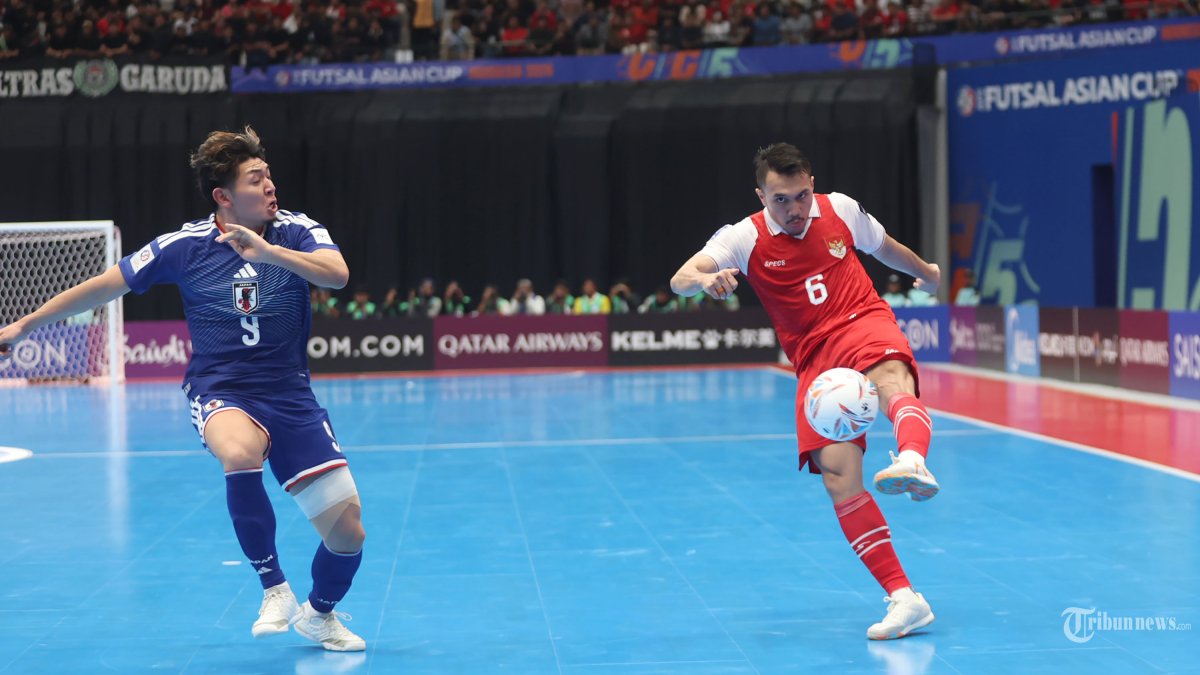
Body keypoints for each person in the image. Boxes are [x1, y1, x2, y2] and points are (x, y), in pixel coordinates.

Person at [0, 127, 367, 652]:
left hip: (291, 392)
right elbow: (105, 284)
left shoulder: (295, 230)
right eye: (256, 179)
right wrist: (25, 324)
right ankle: (274, 588)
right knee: (240, 451)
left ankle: (319, 615)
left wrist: (266, 252)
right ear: (223, 196)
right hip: (222, 387)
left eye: (268, 175)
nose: (270, 186)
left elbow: (336, 275)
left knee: (348, 533)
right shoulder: (184, 246)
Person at [670, 143, 940, 641]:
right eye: (780, 200)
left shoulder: (840, 209)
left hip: (862, 320)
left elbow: (886, 248)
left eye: (799, 196)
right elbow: (680, 278)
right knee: (839, 478)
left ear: (811, 185)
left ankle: (913, 458)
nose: (793, 210)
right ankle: (905, 599)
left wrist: (925, 272)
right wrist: (706, 280)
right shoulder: (742, 237)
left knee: (889, 382)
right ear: (761, 195)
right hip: (814, 360)